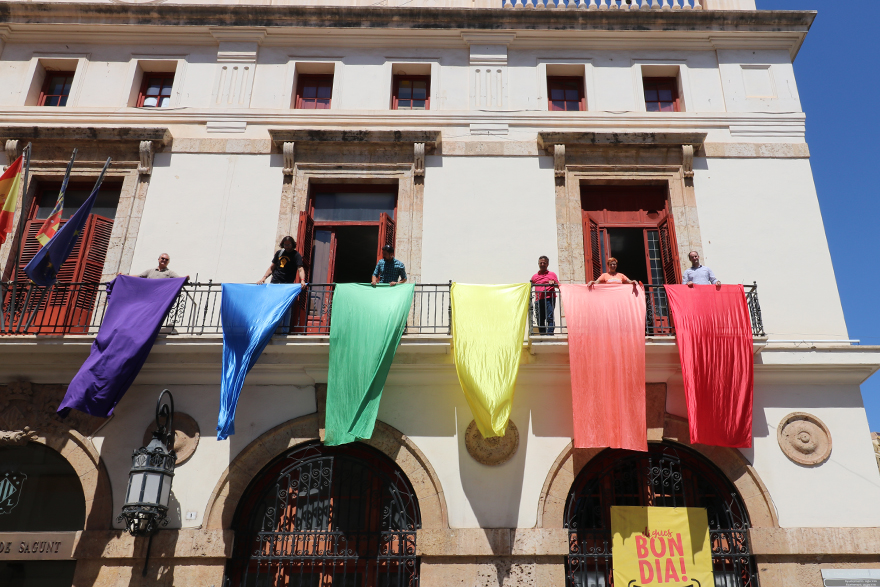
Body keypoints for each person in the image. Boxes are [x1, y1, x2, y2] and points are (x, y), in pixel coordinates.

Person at [531, 255, 558, 335]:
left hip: (549, 298)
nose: (542, 264)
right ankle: (542, 335)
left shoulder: (552, 274)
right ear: (538, 264)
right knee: (540, 319)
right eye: (541, 263)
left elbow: (558, 286)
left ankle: (550, 334)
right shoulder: (534, 276)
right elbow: (530, 286)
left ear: (547, 264)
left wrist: (554, 283)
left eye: (544, 263)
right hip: (538, 300)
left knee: (550, 317)